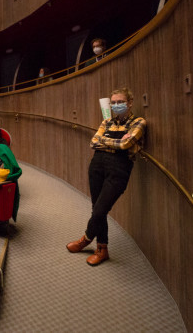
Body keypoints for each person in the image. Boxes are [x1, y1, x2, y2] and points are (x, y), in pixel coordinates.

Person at [66, 87, 147, 266]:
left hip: (119, 169)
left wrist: (109, 141)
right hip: (97, 165)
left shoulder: (138, 122)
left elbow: (127, 143)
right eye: (114, 103)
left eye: (120, 102)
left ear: (130, 103)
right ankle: (102, 249)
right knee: (96, 206)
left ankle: (86, 238)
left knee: (100, 210)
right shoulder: (107, 122)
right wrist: (117, 143)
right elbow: (93, 141)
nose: (116, 105)